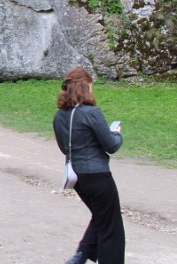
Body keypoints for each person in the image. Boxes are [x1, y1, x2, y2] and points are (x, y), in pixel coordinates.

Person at [53, 66, 124, 264]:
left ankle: (81, 255)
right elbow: (111, 146)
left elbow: (63, 148)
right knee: (112, 228)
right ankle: (86, 256)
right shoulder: (91, 113)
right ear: (85, 87)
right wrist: (116, 133)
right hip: (98, 175)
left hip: (77, 177)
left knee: (102, 217)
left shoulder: (59, 117)